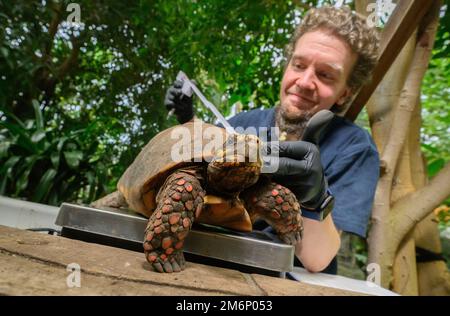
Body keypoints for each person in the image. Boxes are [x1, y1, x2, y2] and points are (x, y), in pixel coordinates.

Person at [164, 6, 380, 274]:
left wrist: (315, 197)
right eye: (299, 65)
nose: (304, 82)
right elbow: (195, 177)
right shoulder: (242, 125)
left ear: (344, 93)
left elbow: (317, 259)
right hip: (207, 264)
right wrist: (190, 123)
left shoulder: (355, 148)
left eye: (325, 75)